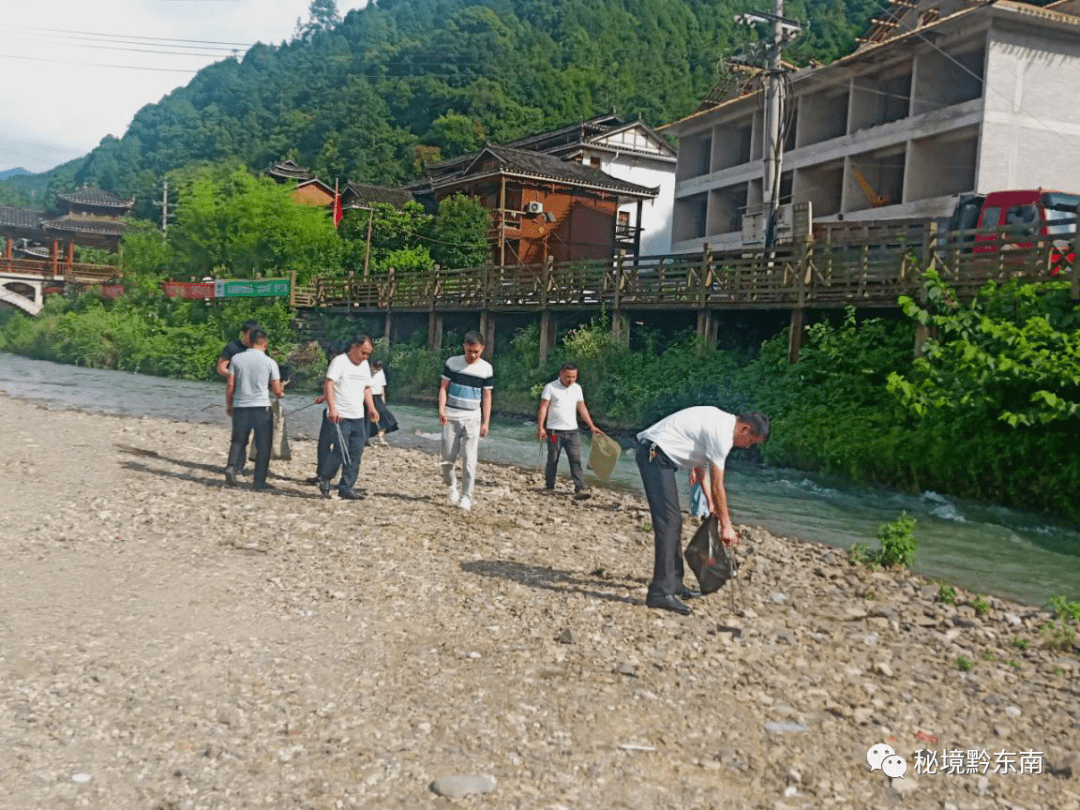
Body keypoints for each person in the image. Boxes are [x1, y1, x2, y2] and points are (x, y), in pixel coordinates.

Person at [635, 408, 770, 615]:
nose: (748, 446)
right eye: (751, 441)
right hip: (655, 455)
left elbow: (698, 461)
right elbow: (718, 485)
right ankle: (660, 593)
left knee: (674, 522)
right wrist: (726, 526)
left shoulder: (719, 422)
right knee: (668, 524)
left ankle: (675, 584)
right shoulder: (723, 434)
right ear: (745, 428)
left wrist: (710, 501)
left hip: (659, 457)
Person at [317, 334, 380, 501]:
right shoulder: (339, 362)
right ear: (354, 347)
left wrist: (372, 408)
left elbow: (367, 388)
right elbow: (329, 384)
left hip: (358, 416)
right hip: (341, 415)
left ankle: (346, 487)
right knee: (340, 450)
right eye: (363, 353)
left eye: (368, 354)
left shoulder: (365, 364)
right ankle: (325, 477)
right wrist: (332, 408)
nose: (365, 357)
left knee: (356, 452)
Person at [438, 330, 493, 512]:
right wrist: (441, 409)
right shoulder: (452, 363)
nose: (472, 355)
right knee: (447, 458)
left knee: (470, 460)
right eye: (469, 351)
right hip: (451, 416)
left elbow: (487, 396)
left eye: (476, 352)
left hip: (472, 417)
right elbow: (444, 387)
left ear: (482, 349)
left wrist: (486, 422)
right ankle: (451, 485)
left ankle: (466, 496)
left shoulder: (486, 368)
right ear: (464, 347)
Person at [224, 329, 284, 491]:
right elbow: (277, 391)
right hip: (261, 408)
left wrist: (229, 404)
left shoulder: (236, 359)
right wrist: (281, 393)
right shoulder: (270, 362)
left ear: (249, 341)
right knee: (263, 445)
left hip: (240, 406)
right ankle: (259, 481)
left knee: (238, 440)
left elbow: (231, 385)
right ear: (264, 343)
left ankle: (231, 467)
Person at [536, 363, 601, 500]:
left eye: (573, 377)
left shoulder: (577, 388)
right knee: (553, 458)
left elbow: (582, 408)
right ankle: (549, 486)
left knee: (575, 459)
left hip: (573, 432)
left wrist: (591, 425)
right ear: (561, 374)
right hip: (554, 432)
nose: (570, 380)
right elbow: (543, 408)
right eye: (567, 377)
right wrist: (541, 427)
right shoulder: (550, 387)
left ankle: (580, 488)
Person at [366, 360, 399, 447]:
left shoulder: (381, 372)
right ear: (372, 365)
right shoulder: (365, 371)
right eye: (374, 368)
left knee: (385, 417)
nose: (375, 370)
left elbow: (381, 387)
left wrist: (383, 400)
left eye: (377, 369)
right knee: (367, 418)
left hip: (378, 397)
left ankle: (380, 437)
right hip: (368, 396)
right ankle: (366, 439)